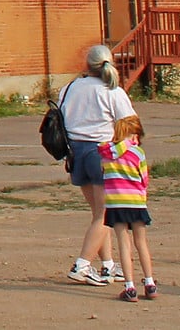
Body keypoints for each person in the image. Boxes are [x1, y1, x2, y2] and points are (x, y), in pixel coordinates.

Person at [60, 43, 129, 285]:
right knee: (105, 213)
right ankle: (82, 264)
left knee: (98, 214)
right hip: (102, 152)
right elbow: (130, 128)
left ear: (87, 64)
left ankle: (108, 266)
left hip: (76, 154)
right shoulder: (112, 91)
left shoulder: (69, 89)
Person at [102, 114, 158, 300]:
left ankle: (130, 287)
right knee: (141, 243)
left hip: (116, 204)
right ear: (133, 135)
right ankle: (149, 283)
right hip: (136, 203)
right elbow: (144, 179)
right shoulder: (138, 153)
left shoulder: (106, 155)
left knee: (123, 244)